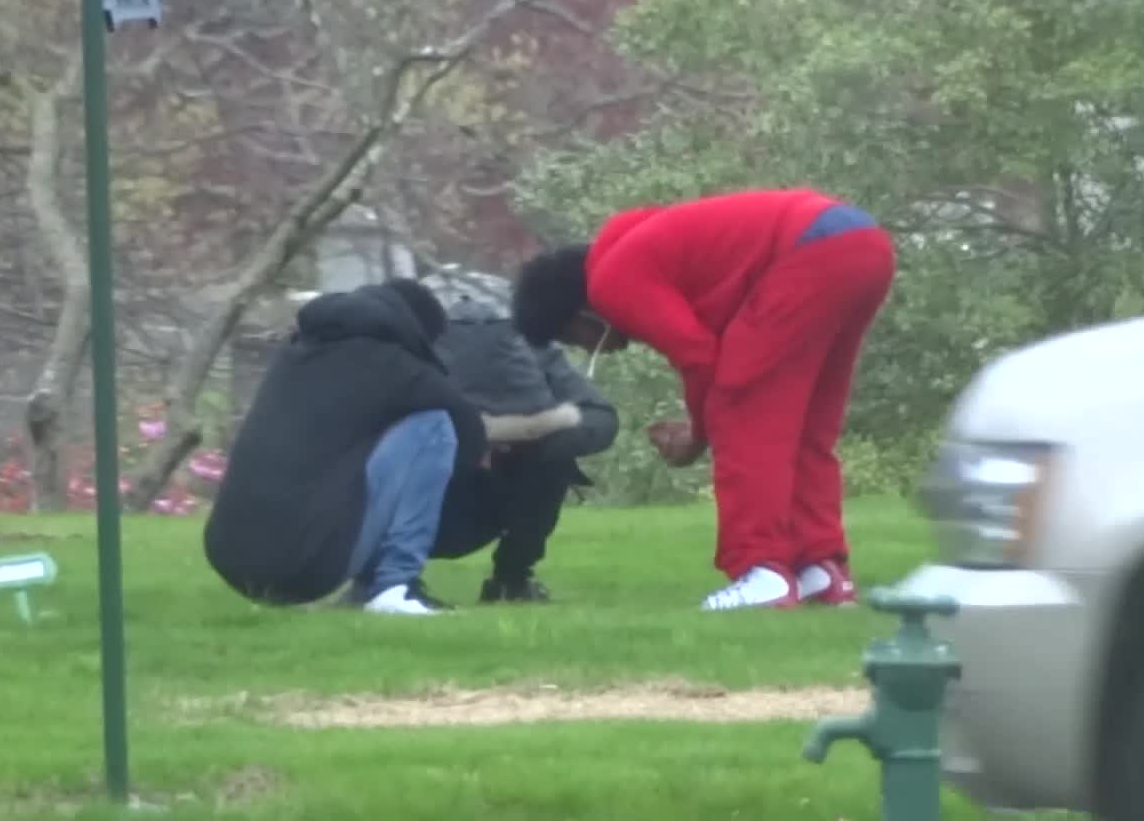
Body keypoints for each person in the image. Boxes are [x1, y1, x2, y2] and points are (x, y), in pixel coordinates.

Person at [509, 188, 895, 612]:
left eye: (575, 339)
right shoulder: (636, 246)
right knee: (805, 427)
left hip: (808, 252)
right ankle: (820, 569)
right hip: (863, 244)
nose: (594, 350)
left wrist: (697, 435)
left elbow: (700, 359)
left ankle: (761, 573)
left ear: (582, 314)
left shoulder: (612, 281)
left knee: (742, 413)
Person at [203, 279, 488, 615]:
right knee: (433, 426)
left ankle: (367, 589)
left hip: (232, 560)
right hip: (307, 565)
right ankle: (393, 588)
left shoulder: (293, 356)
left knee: (358, 451)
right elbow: (469, 431)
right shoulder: (391, 363)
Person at [412, 271, 619, 603]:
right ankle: (390, 579)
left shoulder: (532, 349)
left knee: (555, 458)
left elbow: (599, 417)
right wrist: (466, 440)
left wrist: (531, 439)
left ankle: (512, 577)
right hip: (426, 492)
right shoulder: (407, 352)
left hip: (501, 492)